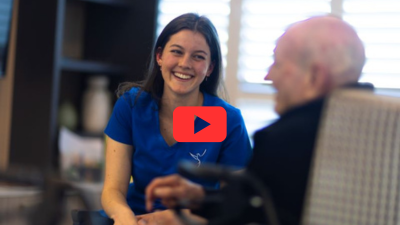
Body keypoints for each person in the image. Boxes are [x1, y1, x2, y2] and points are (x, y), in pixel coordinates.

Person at [145, 15, 374, 225]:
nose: (268, 76)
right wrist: (201, 198)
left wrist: (184, 221)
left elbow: (253, 217)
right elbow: (257, 202)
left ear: (315, 76)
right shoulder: (376, 129)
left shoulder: (286, 140)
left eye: (278, 63)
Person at [100, 13, 252, 225]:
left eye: (198, 56)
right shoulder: (130, 106)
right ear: (159, 57)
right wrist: (124, 217)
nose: (184, 63)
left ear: (210, 68)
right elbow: (113, 190)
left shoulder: (230, 121)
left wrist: (174, 219)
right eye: (177, 52)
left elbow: (235, 206)